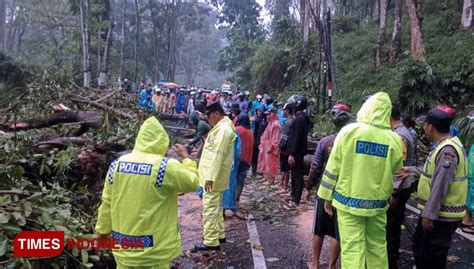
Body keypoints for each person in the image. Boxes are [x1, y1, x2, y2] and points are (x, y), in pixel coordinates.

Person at [95, 117, 199, 268]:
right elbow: (192, 182)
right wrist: (187, 159)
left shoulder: (116, 165)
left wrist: (102, 231)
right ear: (161, 141)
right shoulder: (164, 166)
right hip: (154, 251)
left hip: (124, 247)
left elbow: (107, 203)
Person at [317, 92, 403, 269]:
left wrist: (326, 196)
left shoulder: (349, 132)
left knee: (352, 249)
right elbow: (396, 169)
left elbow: (333, 167)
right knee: (377, 247)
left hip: (347, 201)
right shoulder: (394, 139)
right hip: (377, 204)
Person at [410, 107, 467, 269]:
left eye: (425, 124)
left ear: (430, 127)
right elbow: (434, 173)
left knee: (431, 258)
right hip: (438, 213)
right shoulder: (447, 145)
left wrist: (429, 214)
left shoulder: (447, 151)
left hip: (441, 215)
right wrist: (412, 170)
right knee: (421, 250)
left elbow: (441, 182)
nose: (424, 128)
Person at [307, 103, 354, 269]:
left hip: (325, 189)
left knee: (319, 229)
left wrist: (308, 187)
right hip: (344, 192)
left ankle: (314, 263)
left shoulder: (325, 141)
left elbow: (316, 166)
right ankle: (331, 266)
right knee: (337, 231)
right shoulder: (353, 143)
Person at [194, 100, 236, 251]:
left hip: (213, 177)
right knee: (217, 207)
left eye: (209, 115)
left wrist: (210, 177)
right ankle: (219, 235)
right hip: (214, 175)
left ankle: (211, 241)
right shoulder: (221, 127)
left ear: (217, 114)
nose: (207, 119)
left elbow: (218, 155)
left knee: (210, 208)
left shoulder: (223, 130)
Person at [387, 106, 417, 269]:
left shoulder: (399, 136)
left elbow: (400, 168)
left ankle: (390, 260)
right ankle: (392, 254)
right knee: (394, 225)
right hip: (400, 188)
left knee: (391, 227)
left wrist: (394, 194)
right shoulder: (402, 132)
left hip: (398, 189)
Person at [285, 95, 309, 209]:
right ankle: (294, 196)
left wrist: (292, 153)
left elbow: (296, 137)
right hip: (298, 152)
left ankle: (295, 199)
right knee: (295, 175)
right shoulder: (302, 118)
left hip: (297, 153)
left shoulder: (300, 119)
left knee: (297, 175)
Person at [257, 108, 281, 185]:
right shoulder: (270, 122)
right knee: (266, 162)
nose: (267, 116)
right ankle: (267, 178)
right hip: (267, 145)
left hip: (271, 146)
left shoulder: (276, 124)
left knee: (272, 164)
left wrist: (272, 146)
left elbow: (276, 137)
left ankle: (271, 180)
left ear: (273, 114)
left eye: (269, 114)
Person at [235, 115, 254, 206]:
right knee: (241, 179)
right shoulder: (250, 133)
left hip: (236, 158)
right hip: (246, 160)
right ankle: (237, 198)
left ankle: (231, 199)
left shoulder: (237, 129)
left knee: (233, 178)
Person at [222, 132, 242, 218]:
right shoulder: (233, 132)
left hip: (228, 163)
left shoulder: (227, 132)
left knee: (228, 184)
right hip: (230, 163)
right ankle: (228, 206)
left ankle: (226, 206)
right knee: (230, 184)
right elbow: (238, 152)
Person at [277, 103, 294, 193]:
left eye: (284, 110)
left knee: (286, 168)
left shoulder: (288, 122)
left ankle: (285, 187)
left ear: (287, 111)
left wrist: (280, 147)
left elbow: (284, 136)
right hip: (287, 147)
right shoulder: (291, 120)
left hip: (286, 148)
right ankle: (281, 183)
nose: (283, 112)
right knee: (284, 167)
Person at [252, 104, 267, 176]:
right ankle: (254, 170)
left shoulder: (265, 120)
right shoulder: (255, 119)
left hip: (262, 139)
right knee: (255, 155)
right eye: (257, 111)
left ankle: (260, 170)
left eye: (260, 111)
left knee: (260, 155)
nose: (258, 112)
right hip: (255, 139)